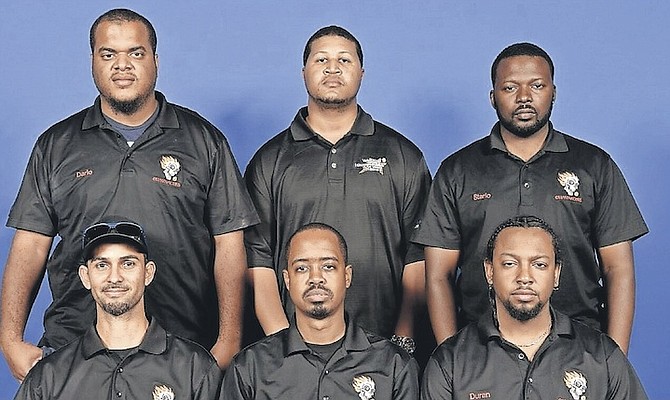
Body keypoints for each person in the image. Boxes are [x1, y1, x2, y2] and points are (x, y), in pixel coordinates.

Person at [0, 8, 258, 380]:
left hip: (181, 349)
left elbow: (230, 246)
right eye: (109, 54)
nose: (122, 65)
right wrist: (10, 339)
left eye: (136, 53)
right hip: (73, 352)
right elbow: (30, 245)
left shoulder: (203, 141)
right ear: (92, 60)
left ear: (155, 59)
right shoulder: (56, 145)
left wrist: (228, 342)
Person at [412, 42, 648, 353]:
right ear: (493, 97)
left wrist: (614, 359)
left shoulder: (594, 165)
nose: (524, 97)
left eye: (537, 85)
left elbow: (618, 268)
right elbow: (438, 273)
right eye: (510, 87)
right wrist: (451, 358)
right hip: (482, 346)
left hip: (579, 345)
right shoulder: (458, 170)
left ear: (553, 92)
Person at [244, 25, 431, 357]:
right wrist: (285, 345)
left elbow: (418, 258)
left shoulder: (403, 156)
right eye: (321, 60)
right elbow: (258, 262)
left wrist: (402, 340)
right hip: (293, 348)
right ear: (304, 72)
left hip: (384, 349)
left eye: (344, 59)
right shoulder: (269, 161)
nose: (332, 68)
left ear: (361, 72)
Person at [421, 216, 648, 399]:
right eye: (510, 263)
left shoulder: (602, 356)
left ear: (556, 274)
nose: (525, 277)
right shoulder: (449, 361)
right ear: (490, 271)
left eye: (539, 265)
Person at [14, 219, 223, 399]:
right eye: (102, 265)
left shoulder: (194, 368)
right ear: (85, 276)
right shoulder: (49, 376)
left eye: (128, 263)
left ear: (148, 273)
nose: (114, 277)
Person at [224, 223, 419, 399]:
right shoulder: (250, 367)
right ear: (287, 280)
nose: (315, 278)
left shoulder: (394, 365)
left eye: (328, 266)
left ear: (347, 276)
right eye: (302, 268)